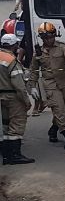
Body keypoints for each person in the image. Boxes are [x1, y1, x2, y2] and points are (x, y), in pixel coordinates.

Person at [33, 22, 65, 150]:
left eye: (51, 37)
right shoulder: (38, 52)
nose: (49, 40)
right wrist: (32, 86)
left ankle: (54, 128)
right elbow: (34, 70)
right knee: (59, 110)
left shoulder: (62, 46)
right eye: (46, 38)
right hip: (50, 84)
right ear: (42, 38)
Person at [0, 33, 33, 165]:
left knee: (5, 124)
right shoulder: (11, 60)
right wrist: (26, 101)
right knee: (17, 124)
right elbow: (19, 85)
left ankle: (5, 154)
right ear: (14, 46)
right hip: (13, 97)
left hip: (1, 97)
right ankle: (14, 155)